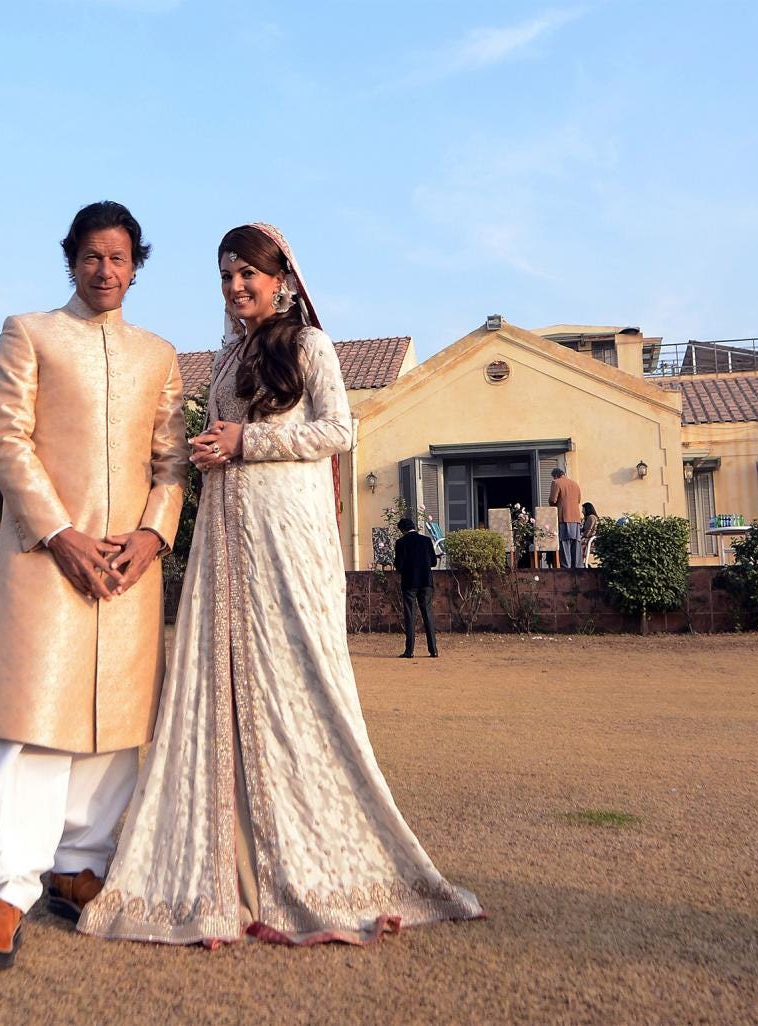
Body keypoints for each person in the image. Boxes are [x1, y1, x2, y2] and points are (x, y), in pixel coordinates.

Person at [79, 223, 482, 947]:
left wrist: (249, 441)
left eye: (248, 274)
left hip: (287, 535)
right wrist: (212, 450)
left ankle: (310, 862)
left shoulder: (309, 345)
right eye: (226, 275)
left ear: (282, 281)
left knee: (298, 680)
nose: (236, 287)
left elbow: (339, 431)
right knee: (219, 683)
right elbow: (228, 436)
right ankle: (229, 870)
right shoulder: (227, 355)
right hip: (226, 535)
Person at [0, 201, 189, 971]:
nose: (104, 270)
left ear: (136, 265)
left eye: (118, 258)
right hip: (44, 559)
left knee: (114, 724)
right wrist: (59, 533)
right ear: (71, 260)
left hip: (128, 567)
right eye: (91, 256)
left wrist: (152, 536)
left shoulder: (159, 355)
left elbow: (172, 461)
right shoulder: (30, 333)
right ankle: (6, 889)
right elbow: (5, 438)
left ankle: (79, 865)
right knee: (27, 723)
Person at [394, 517, 438, 659]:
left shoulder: (401, 543)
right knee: (428, 614)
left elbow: (399, 565)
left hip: (409, 583)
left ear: (402, 530)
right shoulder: (426, 541)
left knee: (410, 616)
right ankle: (433, 650)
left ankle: (409, 651)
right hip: (426, 582)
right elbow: (433, 562)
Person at [549, 467, 583, 568]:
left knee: (564, 542)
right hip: (576, 517)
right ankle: (577, 566)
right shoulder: (575, 484)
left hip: (564, 516)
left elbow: (553, 500)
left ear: (555, 476)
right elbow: (578, 500)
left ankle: (566, 567)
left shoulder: (556, 482)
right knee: (576, 543)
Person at [580, 501, 598, 565]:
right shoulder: (588, 518)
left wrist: (582, 535)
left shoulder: (591, 517)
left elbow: (588, 530)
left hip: (590, 539)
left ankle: (579, 562)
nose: (582, 511)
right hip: (589, 538)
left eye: (583, 509)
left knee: (577, 544)